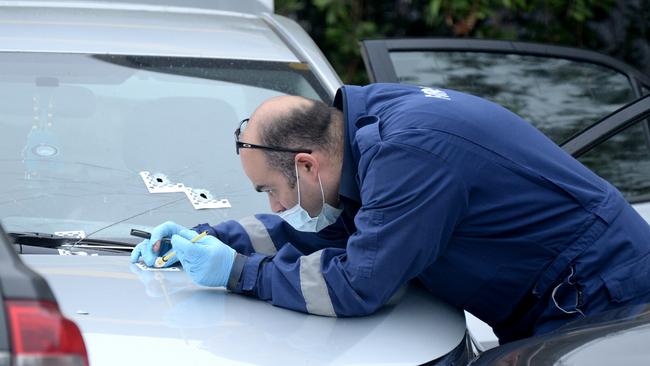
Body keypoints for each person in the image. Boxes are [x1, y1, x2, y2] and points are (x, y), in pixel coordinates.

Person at [131, 83, 650, 343]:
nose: (273, 206)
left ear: (308, 165)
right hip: (565, 299)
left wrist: (239, 273)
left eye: (269, 190)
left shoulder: (409, 155)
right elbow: (344, 230)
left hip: (603, 297)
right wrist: (213, 236)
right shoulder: (361, 131)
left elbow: (358, 282)